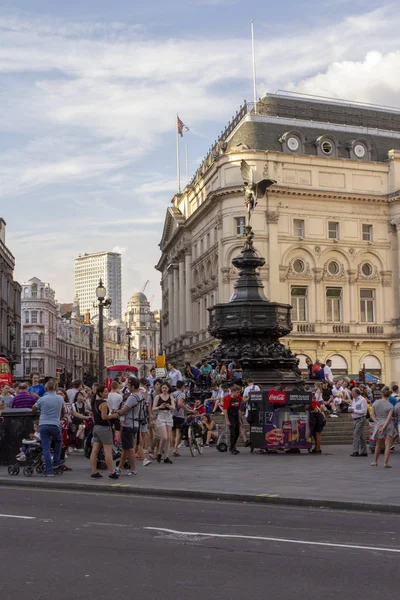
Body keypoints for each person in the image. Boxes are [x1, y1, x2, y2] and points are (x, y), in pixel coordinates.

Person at [32, 379, 64, 477]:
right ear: (55, 388)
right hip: (55, 425)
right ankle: (56, 461)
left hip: (43, 425)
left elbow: (34, 408)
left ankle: (49, 470)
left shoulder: (42, 399)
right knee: (59, 441)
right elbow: (64, 411)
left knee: (46, 448)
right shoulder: (60, 398)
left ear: (46, 389)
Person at [89, 385, 120, 479]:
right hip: (104, 428)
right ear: (100, 393)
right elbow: (104, 417)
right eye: (106, 392)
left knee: (95, 451)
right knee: (108, 451)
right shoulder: (104, 404)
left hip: (96, 428)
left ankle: (94, 471)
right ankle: (112, 472)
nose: (107, 393)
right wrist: (114, 415)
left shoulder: (94, 402)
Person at [116, 377, 144, 476]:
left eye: (128, 385)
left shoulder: (132, 397)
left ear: (133, 386)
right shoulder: (140, 395)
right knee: (126, 448)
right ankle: (119, 468)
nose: (127, 387)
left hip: (128, 424)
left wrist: (117, 412)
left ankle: (133, 469)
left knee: (130, 448)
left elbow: (124, 410)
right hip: (135, 423)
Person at [370, 387, 395, 468]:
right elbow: (388, 419)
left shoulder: (376, 403)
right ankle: (385, 463)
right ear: (389, 395)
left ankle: (375, 461)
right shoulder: (390, 405)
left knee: (378, 444)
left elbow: (372, 415)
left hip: (379, 424)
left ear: (382, 395)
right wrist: (384, 427)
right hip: (388, 425)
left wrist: (378, 423)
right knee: (388, 445)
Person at [152, 383, 175, 464]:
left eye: (166, 388)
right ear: (161, 389)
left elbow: (174, 407)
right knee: (164, 437)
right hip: (161, 417)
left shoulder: (171, 396)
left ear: (168, 388)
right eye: (163, 388)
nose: (164, 389)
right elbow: (153, 408)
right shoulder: (157, 397)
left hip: (168, 416)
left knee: (168, 438)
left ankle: (166, 456)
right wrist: (160, 407)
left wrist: (169, 406)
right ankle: (159, 452)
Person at [348, 387, 368, 457]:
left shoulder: (362, 400)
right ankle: (364, 451)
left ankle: (355, 451)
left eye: (352, 392)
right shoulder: (354, 399)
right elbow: (353, 407)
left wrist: (354, 411)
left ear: (356, 393)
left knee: (356, 434)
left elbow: (364, 411)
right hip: (355, 419)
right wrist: (350, 409)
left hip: (360, 419)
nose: (351, 393)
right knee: (361, 436)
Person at [223, 384, 242, 455]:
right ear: (233, 392)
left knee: (237, 433)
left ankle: (233, 446)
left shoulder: (237, 399)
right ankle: (232, 447)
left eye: (239, 392)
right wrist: (227, 420)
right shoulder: (228, 399)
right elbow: (225, 410)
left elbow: (239, 410)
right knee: (233, 433)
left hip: (236, 417)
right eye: (237, 392)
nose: (238, 394)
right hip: (230, 417)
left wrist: (240, 419)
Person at [172, 381, 187, 456]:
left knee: (173, 433)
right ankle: (175, 448)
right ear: (182, 387)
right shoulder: (182, 394)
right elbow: (180, 403)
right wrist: (187, 409)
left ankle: (175, 449)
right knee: (178, 433)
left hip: (172, 415)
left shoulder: (172, 394)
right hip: (179, 415)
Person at [107, 380, 123, 447]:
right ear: (117, 387)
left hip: (109, 414)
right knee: (117, 429)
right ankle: (117, 442)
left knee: (109, 428)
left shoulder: (107, 395)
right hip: (116, 414)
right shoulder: (119, 396)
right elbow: (121, 405)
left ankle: (109, 441)